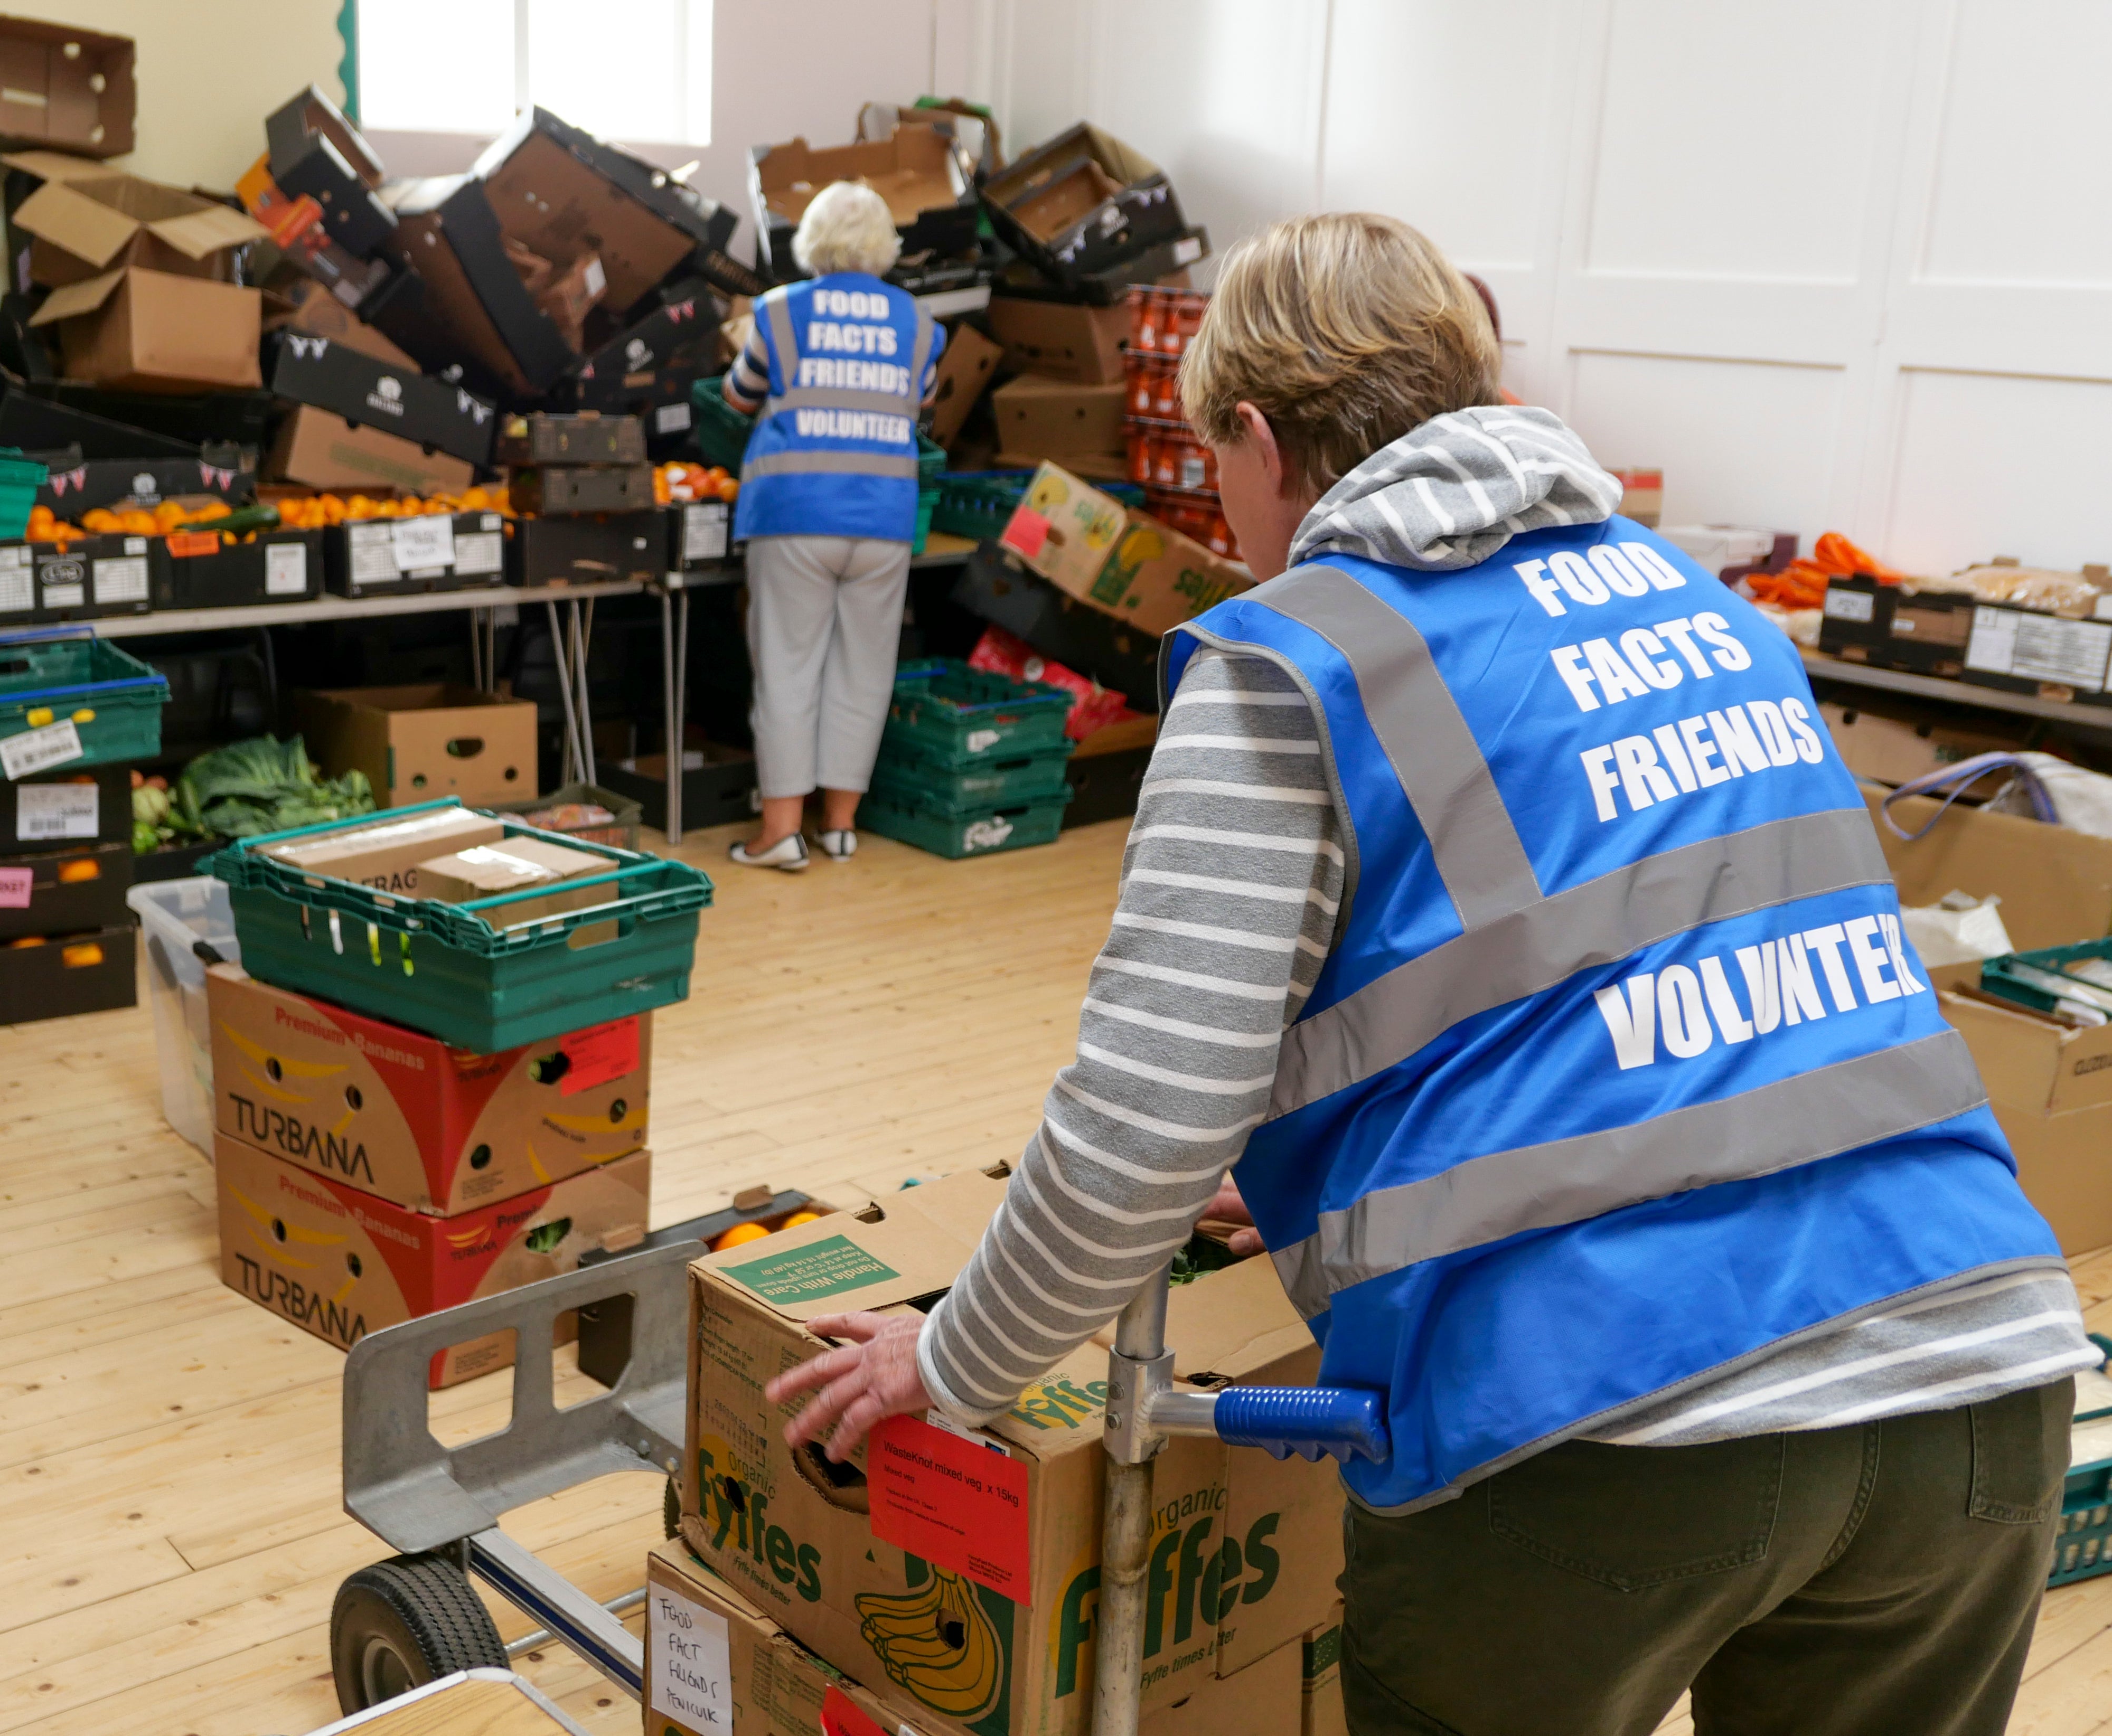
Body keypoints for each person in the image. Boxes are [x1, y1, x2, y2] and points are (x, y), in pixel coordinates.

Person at [767, 212, 2088, 1736]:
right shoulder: (1712, 618)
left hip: (1615, 1408)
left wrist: (951, 1358)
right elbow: (1660, 984)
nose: (1232, 522)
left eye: (1219, 474)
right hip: (1980, 1363)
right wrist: (1346, 1168)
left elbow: (1140, 1123)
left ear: (1259, 439)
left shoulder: (1292, 662)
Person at [720, 180, 944, 871]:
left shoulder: (780, 311)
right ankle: (841, 826)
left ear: (812, 240)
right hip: (883, 516)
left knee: (789, 669)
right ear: (884, 245)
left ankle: (780, 833)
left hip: (795, 512)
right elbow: (925, 405)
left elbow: (737, 395)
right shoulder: (920, 323)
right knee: (865, 668)